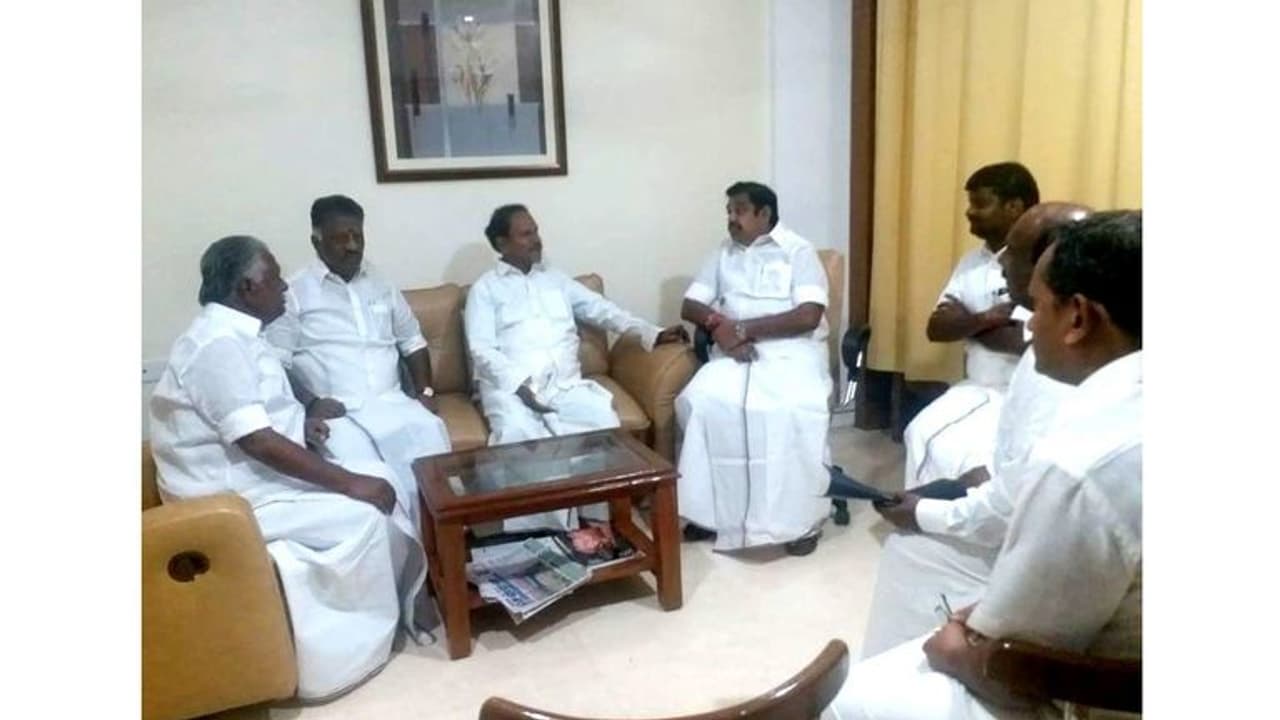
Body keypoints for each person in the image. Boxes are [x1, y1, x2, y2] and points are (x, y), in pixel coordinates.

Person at [826, 210, 1142, 720]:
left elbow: (1009, 659)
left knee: (851, 701)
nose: (1028, 323)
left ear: (1079, 318)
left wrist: (953, 642)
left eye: (1039, 307)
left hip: (1100, 693)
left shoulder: (1081, 463)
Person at [149, 236, 428, 700]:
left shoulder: (240, 334)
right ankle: (336, 660)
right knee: (363, 512)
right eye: (276, 278)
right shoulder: (217, 344)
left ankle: (389, 616)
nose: (284, 288)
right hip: (229, 498)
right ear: (247, 287)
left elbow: (262, 416)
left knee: (385, 476)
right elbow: (256, 440)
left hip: (257, 477)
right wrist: (348, 483)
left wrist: (304, 425)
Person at [858, 203, 1090, 658]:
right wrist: (975, 483)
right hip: (1023, 519)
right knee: (926, 436)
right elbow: (939, 325)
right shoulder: (1054, 351)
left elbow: (1017, 511)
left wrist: (925, 513)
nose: (1001, 264)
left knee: (907, 550)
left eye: (1014, 254)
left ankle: (922, 670)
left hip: (1041, 570)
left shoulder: (1058, 371)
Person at [464, 204, 687, 530]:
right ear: (501, 243)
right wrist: (521, 385)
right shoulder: (485, 289)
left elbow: (602, 310)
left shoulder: (555, 279)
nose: (536, 240)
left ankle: (597, 524)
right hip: (511, 388)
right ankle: (542, 534)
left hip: (565, 385)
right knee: (520, 436)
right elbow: (481, 348)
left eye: (536, 231)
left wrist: (651, 332)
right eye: (526, 234)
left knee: (602, 422)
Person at [263, 195, 450, 534]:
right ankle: (399, 555)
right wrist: (311, 403)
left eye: (357, 236)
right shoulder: (294, 292)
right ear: (316, 241)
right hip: (339, 413)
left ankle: (443, 548)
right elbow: (275, 362)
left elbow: (413, 342)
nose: (352, 246)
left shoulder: (382, 284)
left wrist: (424, 392)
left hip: (395, 402)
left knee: (432, 442)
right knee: (369, 477)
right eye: (341, 238)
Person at [676, 181, 832, 556]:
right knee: (700, 401)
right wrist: (718, 325)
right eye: (729, 211)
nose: (732, 218)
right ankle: (712, 515)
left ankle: (800, 522)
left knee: (789, 410)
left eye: (740, 210)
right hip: (734, 351)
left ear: (765, 214)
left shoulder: (798, 251)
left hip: (791, 351)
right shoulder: (722, 253)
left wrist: (742, 329)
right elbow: (690, 305)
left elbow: (808, 316)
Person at [903, 162, 1040, 490]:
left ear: (1014, 206)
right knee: (919, 432)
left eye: (980, 204)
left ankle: (962, 517)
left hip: (1024, 392)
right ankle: (925, 513)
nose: (970, 212)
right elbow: (936, 328)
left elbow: (1025, 342)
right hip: (976, 385)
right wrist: (986, 318)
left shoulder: (1040, 262)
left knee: (972, 458)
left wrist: (966, 324)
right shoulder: (971, 262)